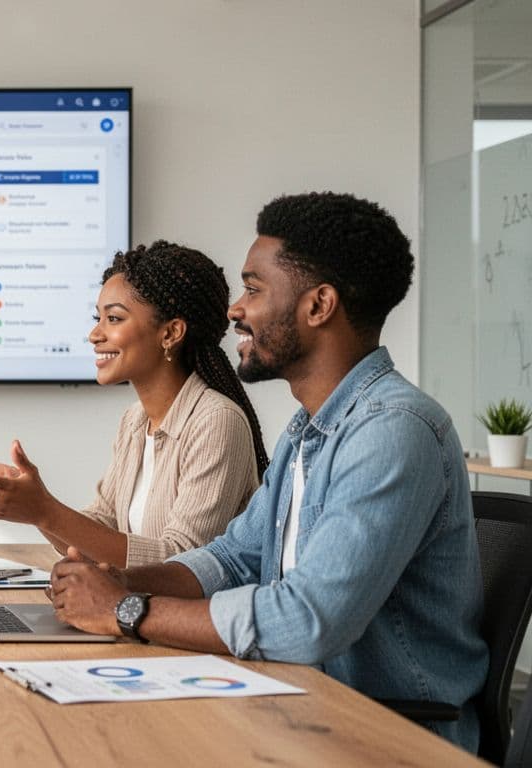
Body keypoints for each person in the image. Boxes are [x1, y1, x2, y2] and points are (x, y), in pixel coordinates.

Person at [49, 192, 487, 751]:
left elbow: (307, 620)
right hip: (297, 705)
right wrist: (120, 583)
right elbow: (233, 558)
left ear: (318, 305)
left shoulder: (392, 432)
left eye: (254, 289)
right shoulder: (309, 431)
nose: (236, 309)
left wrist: (127, 611)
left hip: (384, 736)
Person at [0, 242, 268, 566]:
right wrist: (32, 508)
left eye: (113, 318)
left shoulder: (217, 421)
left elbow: (182, 563)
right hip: (136, 614)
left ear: (170, 333)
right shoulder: (135, 421)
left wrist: (44, 510)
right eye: (98, 318)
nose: (94, 334)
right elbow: (101, 527)